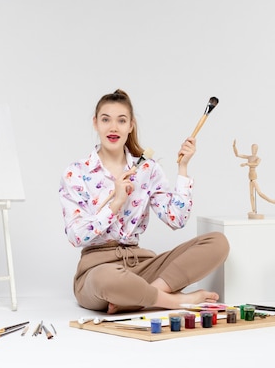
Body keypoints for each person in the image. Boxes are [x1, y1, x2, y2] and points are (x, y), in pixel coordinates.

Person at [59, 89, 229, 314]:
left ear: (131, 126)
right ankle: (175, 301)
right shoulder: (76, 172)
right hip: (97, 269)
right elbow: (76, 236)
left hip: (141, 264)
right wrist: (116, 203)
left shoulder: (147, 169)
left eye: (121, 120)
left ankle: (143, 295)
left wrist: (183, 167)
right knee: (107, 280)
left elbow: (176, 220)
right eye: (106, 119)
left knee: (217, 242)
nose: (113, 127)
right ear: (95, 123)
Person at [233, 139, 275, 219]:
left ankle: (271, 200)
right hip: (249, 177)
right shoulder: (249, 157)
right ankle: (253, 210)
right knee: (251, 194)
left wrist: (246, 164)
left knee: (259, 192)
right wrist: (234, 146)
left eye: (254, 148)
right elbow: (237, 155)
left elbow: (255, 164)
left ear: (257, 150)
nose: (253, 150)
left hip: (254, 177)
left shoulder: (258, 158)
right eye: (252, 148)